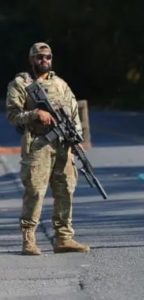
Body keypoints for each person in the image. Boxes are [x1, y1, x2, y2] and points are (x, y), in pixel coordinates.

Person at [6, 42, 90, 255]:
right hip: (38, 145)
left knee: (66, 190)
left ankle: (64, 238)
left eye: (48, 57)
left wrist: (76, 137)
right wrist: (36, 114)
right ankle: (29, 240)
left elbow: (73, 113)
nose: (44, 61)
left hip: (63, 146)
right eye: (39, 57)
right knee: (35, 191)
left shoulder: (61, 84)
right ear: (31, 59)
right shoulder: (21, 83)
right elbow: (13, 115)